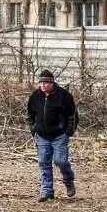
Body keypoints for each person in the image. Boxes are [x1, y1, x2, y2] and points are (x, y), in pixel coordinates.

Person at [27, 69, 78, 202]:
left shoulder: (64, 96)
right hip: (42, 136)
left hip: (59, 135)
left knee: (61, 161)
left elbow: (72, 115)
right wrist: (34, 129)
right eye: (41, 83)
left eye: (46, 83)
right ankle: (47, 191)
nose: (43, 85)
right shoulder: (35, 96)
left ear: (52, 83)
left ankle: (68, 181)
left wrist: (68, 132)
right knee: (44, 163)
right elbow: (30, 115)